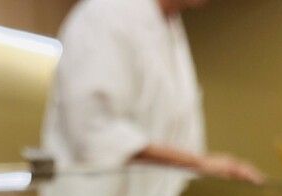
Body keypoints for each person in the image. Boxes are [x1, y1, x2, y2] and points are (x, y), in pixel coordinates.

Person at [41, 0, 263, 183]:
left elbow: (175, 128)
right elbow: (94, 129)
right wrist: (199, 163)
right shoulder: (107, 12)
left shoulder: (169, 25)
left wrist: (212, 169)